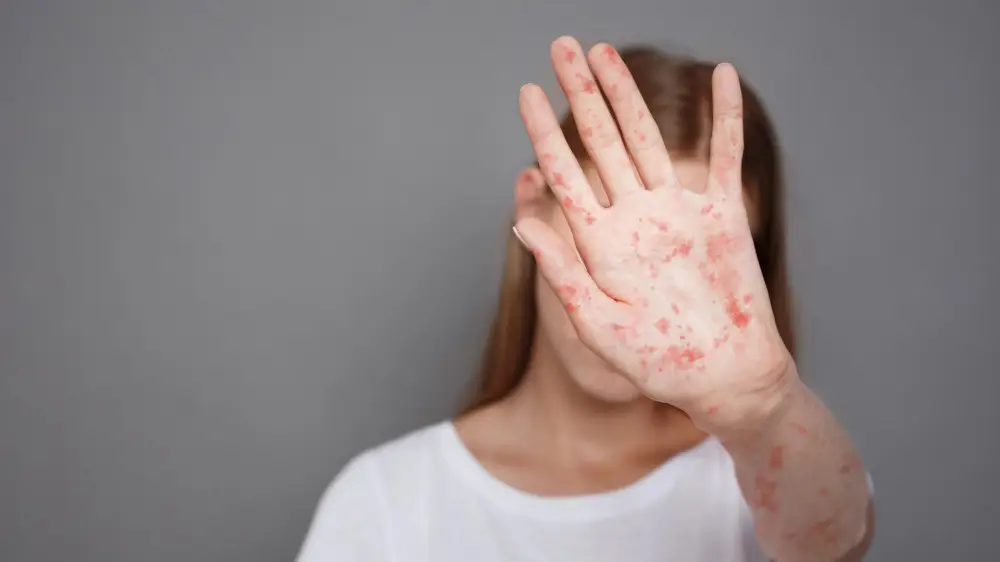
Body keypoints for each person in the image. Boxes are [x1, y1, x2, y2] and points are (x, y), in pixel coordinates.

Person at [295, 36, 876, 562]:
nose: (642, 296)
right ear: (533, 206)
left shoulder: (764, 476)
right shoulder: (387, 502)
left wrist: (768, 403)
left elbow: (834, 542)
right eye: (608, 228)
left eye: (695, 258)